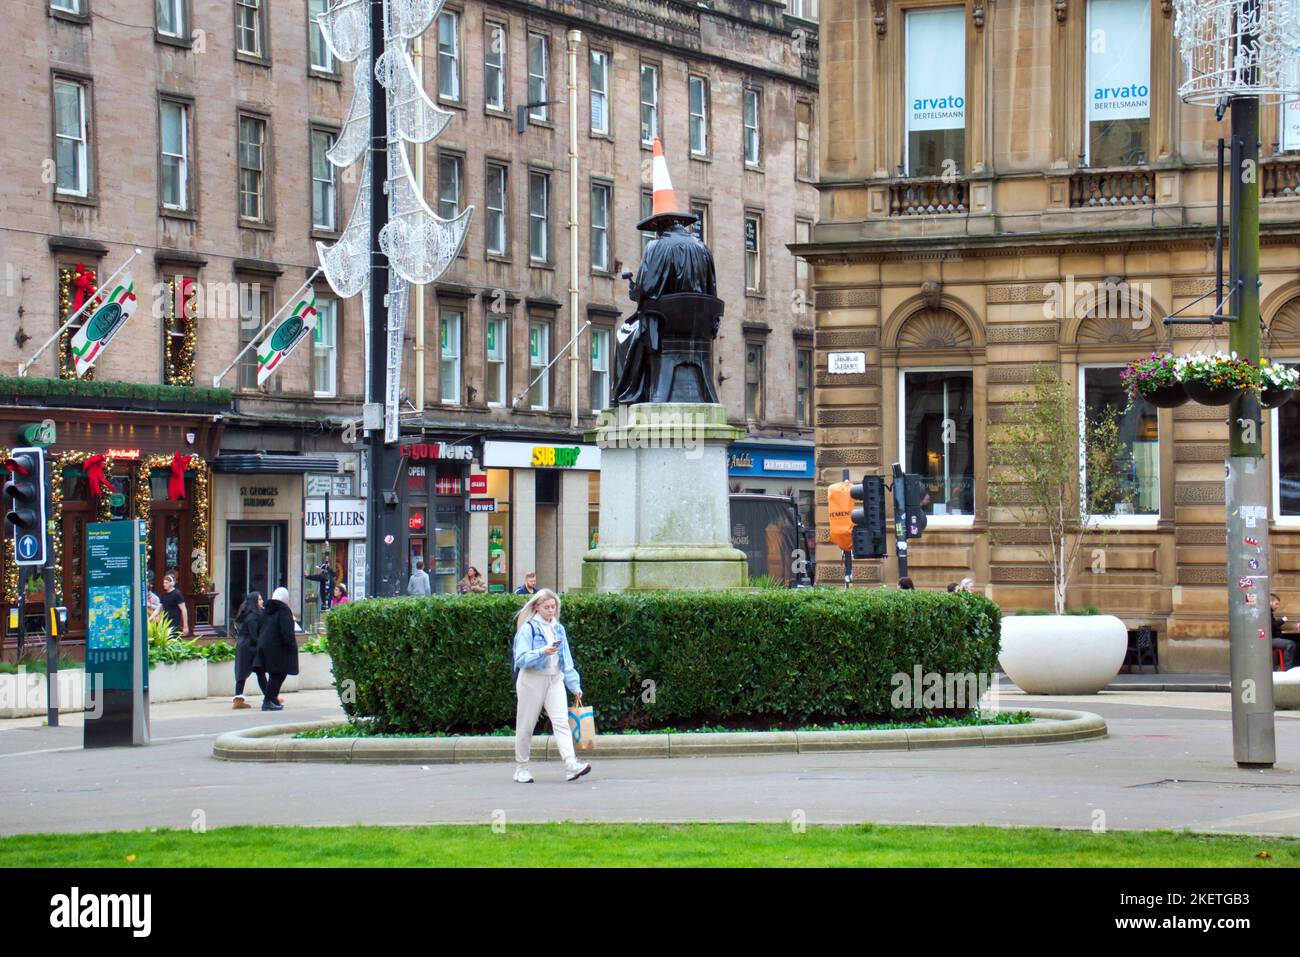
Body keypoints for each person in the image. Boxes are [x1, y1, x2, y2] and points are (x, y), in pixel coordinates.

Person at [511, 589, 590, 784]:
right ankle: (521, 768)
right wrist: (542, 652)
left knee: (562, 721)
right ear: (536, 607)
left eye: (553, 607)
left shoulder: (558, 628)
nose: (550, 611)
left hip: (555, 678)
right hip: (532, 679)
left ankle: (571, 764)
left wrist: (575, 686)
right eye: (546, 607)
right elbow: (521, 659)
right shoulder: (528, 628)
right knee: (526, 725)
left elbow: (567, 661)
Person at [255, 587, 298, 712]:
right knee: (278, 674)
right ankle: (268, 701)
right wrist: (291, 645)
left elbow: (259, 627)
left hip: (264, 645)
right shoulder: (284, 611)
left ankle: (272, 699)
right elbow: (287, 631)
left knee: (276, 674)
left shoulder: (266, 610)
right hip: (278, 647)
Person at [232, 591, 269, 710]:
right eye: (259, 599)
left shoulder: (255, 614)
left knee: (258, 672)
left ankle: (269, 696)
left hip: (247, 646)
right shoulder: (252, 617)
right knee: (246, 673)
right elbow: (254, 636)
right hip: (247, 647)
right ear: (254, 602)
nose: (262, 601)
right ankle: (238, 700)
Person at [159, 572, 189, 636]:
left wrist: (185, 626)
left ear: (172, 583)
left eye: (166, 583)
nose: (164, 584)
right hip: (166, 622)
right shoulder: (163, 594)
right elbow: (158, 608)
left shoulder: (177, 594)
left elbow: (184, 610)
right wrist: (149, 619)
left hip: (174, 622)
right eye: (164, 582)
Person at [1271, 593, 1296, 670]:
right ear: (1270, 602)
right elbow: (1270, 626)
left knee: (1293, 643)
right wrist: (1282, 620)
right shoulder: (1265, 613)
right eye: (1276, 604)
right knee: (1290, 644)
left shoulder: (1269, 613)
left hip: (1272, 638)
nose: (1277, 606)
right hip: (1268, 640)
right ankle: (1285, 669)